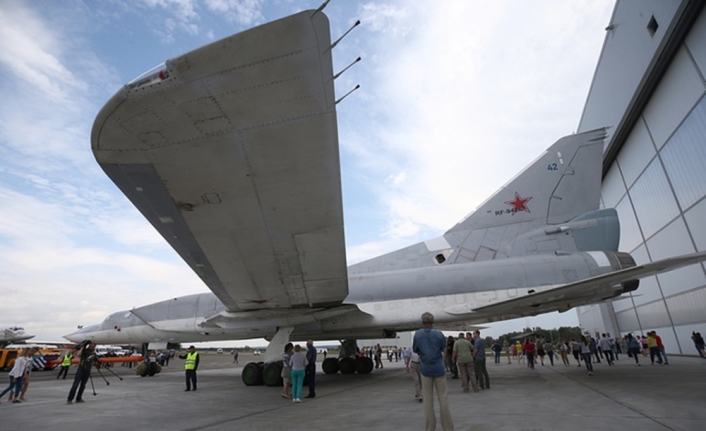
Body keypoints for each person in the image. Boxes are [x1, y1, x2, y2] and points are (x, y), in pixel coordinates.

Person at [413, 312, 454, 431]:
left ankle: (430, 427)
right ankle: (448, 427)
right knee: (443, 399)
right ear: (433, 321)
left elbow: (415, 349)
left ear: (422, 321)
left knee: (427, 400)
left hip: (425, 369)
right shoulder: (439, 334)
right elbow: (443, 348)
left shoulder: (418, 334)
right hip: (439, 369)